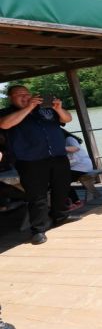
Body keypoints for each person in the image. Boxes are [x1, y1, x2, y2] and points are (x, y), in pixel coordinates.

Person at [0, 85, 73, 245]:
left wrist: (59, 108)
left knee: (61, 188)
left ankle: (60, 217)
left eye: (26, 94)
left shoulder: (45, 109)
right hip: (30, 160)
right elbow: (4, 125)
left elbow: (67, 119)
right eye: (19, 94)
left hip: (58, 156)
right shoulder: (6, 112)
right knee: (37, 196)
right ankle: (38, 229)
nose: (25, 96)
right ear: (11, 98)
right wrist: (29, 107)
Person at [62, 129, 93, 209]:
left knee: (61, 180)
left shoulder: (69, 139)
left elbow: (76, 148)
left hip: (81, 167)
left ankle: (76, 201)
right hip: (79, 167)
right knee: (59, 179)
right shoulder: (66, 140)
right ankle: (70, 201)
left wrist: (59, 148)